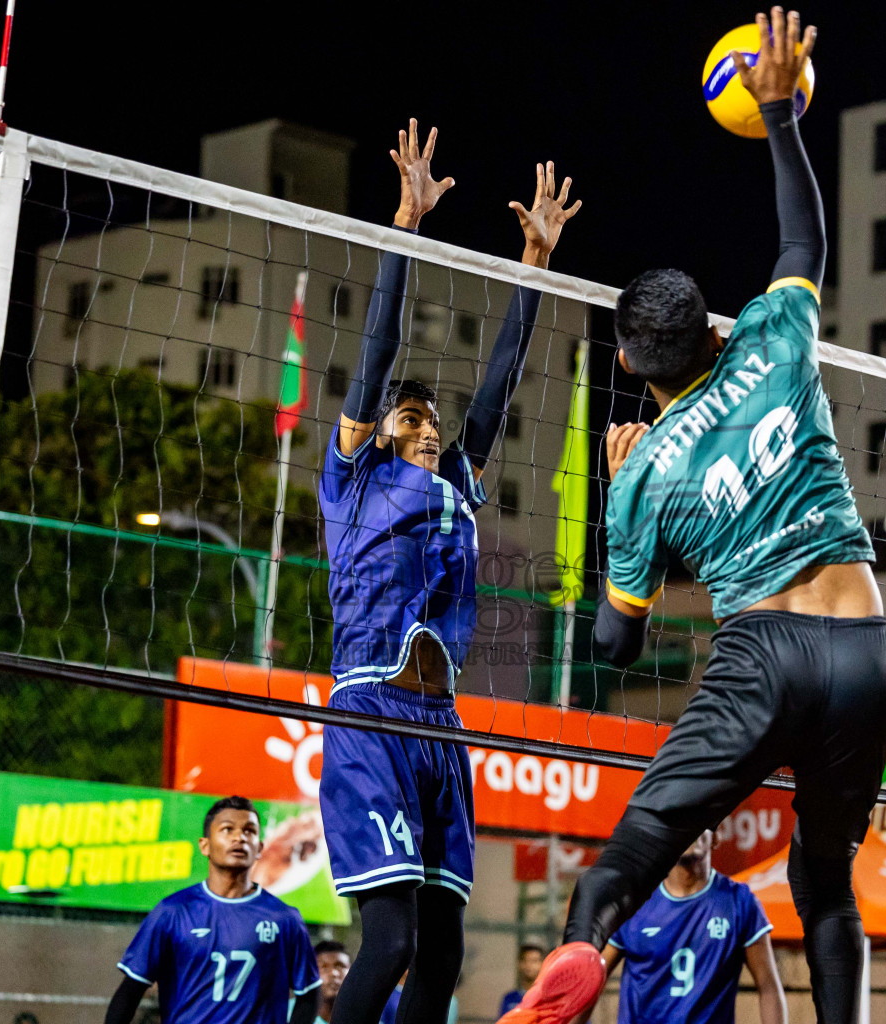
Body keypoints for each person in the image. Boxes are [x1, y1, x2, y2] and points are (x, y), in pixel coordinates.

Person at [501, 10, 886, 1024]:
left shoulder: (642, 474)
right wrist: (778, 111)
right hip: (863, 641)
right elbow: (803, 233)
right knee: (824, 880)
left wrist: (616, 498)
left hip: (761, 651)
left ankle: (580, 956)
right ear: (716, 325)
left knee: (626, 857)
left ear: (628, 364)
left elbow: (614, 645)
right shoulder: (773, 339)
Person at [318, 116, 580, 1024]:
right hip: (369, 713)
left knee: (444, 957)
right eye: (410, 420)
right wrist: (406, 225)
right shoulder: (354, 480)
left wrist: (533, 264)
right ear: (377, 432)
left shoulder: (456, 483)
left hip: (441, 725)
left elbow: (502, 382)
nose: (426, 427)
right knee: (388, 944)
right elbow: (380, 353)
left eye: (433, 421)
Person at [103, 796, 320, 1024]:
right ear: (204, 845)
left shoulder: (285, 919)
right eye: (228, 829)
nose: (240, 837)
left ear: (259, 848)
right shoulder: (172, 912)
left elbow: (309, 993)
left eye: (249, 831)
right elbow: (130, 991)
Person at [601, 830, 785, 1024]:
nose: (691, 829)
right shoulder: (633, 900)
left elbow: (768, 987)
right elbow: (591, 981)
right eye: (682, 823)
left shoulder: (740, 902)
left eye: (700, 820)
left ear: (715, 837)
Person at [498, 947, 546, 1016]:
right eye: (525, 960)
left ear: (543, 964)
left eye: (534, 961)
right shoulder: (509, 998)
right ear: (519, 964)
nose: (529, 965)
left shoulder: (547, 999)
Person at [313, 942, 351, 1024]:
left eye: (340, 966)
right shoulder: (287, 1014)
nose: (333, 973)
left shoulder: (369, 1016)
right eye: (324, 967)